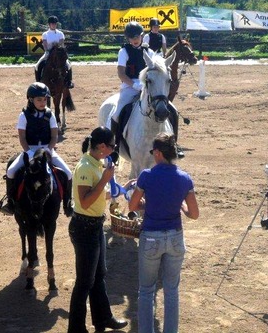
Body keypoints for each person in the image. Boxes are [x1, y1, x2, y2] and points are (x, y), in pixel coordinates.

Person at [129, 132, 199, 333]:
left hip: (151, 236)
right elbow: (194, 214)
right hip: (175, 238)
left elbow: (132, 206)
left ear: (158, 153)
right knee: (171, 291)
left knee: (146, 291)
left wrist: (144, 204)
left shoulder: (146, 176)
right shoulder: (185, 178)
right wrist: (182, 207)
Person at [67, 126, 128, 333]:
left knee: (99, 275)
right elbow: (84, 202)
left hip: (94, 226)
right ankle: (75, 329)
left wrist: (120, 189)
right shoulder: (85, 167)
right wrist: (105, 180)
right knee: (84, 282)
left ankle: (103, 318)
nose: (113, 150)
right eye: (112, 146)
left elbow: (96, 195)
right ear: (102, 146)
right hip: (84, 228)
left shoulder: (96, 163)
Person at [111, 21, 184, 158]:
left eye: (137, 37)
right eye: (132, 38)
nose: (135, 40)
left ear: (141, 36)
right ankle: (115, 146)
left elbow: (160, 68)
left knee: (172, 110)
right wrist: (134, 84)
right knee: (117, 112)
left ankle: (174, 145)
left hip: (149, 85)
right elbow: (121, 73)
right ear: (128, 38)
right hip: (130, 86)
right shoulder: (124, 51)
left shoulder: (149, 51)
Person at [0, 82, 72, 215]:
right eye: (39, 100)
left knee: (68, 173)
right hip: (30, 150)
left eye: (45, 99)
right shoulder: (23, 116)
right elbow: (22, 138)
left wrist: (49, 150)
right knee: (10, 171)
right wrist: (29, 152)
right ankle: (10, 203)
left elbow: (54, 136)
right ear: (31, 100)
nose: (43, 102)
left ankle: (68, 204)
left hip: (47, 150)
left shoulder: (50, 114)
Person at [35, 15, 74, 89]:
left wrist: (56, 46)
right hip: (48, 52)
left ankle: (69, 81)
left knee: (68, 65)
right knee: (37, 65)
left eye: (55, 23)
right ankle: (38, 82)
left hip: (59, 53)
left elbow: (61, 43)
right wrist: (48, 50)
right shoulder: (45, 34)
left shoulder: (60, 33)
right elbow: (45, 44)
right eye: (52, 23)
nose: (54, 25)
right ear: (49, 24)